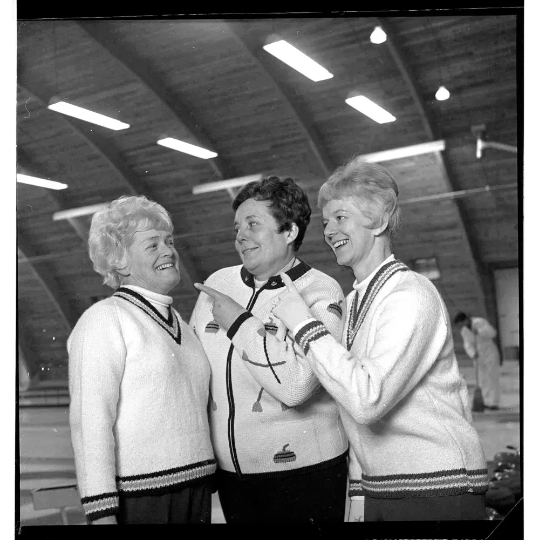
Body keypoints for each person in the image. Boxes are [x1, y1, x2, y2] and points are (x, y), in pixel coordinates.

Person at [272, 159, 488, 521]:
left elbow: (366, 399)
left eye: (341, 217)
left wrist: (304, 325)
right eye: (326, 222)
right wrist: (358, 494)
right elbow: (357, 418)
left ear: (381, 221)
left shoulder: (410, 294)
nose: (329, 231)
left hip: (437, 488)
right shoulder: (356, 298)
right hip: (383, 489)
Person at [190, 176, 349, 523]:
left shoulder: (322, 292)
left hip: (307, 475)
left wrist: (239, 323)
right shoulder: (217, 284)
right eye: (237, 228)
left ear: (289, 231)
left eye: (253, 224)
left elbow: (297, 386)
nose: (240, 236)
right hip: (234, 479)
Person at [68, 195, 216, 525]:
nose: (169, 251)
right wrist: (101, 510)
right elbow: (90, 423)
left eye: (169, 241)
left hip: (196, 489)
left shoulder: (181, 324)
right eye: (152, 245)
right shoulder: (105, 319)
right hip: (142, 500)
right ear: (119, 261)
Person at [454, 311, 501, 410]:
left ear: (466, 319)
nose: (462, 326)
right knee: (482, 380)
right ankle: (484, 401)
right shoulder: (464, 331)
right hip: (478, 356)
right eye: (460, 325)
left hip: (489, 353)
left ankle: (493, 402)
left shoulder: (480, 322)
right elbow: (467, 344)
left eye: (462, 323)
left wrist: (480, 331)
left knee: (491, 378)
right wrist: (472, 353)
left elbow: (493, 333)